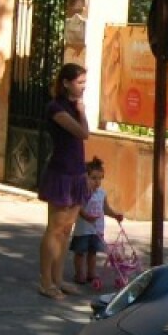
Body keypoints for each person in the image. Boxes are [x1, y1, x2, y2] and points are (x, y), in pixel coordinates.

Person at [36, 62, 91, 299]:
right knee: (55, 228)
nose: (83, 87)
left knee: (67, 229)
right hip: (61, 173)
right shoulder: (56, 107)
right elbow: (81, 133)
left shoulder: (75, 107)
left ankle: (59, 279)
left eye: (85, 83)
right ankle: (46, 281)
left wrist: (81, 110)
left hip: (77, 172)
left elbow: (86, 132)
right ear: (66, 83)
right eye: (79, 83)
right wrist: (79, 111)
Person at [70, 157, 124, 284]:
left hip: (97, 229)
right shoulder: (83, 192)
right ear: (86, 178)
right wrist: (86, 216)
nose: (97, 181)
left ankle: (91, 273)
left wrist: (115, 215)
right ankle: (79, 274)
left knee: (93, 252)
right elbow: (79, 208)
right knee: (80, 252)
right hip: (83, 229)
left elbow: (105, 208)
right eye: (93, 178)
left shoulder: (102, 193)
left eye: (100, 178)